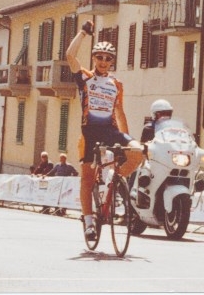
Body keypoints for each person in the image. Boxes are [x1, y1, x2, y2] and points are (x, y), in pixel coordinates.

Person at [66, 20, 136, 241]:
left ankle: (113, 182)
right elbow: (70, 55)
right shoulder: (86, 78)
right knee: (87, 178)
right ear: (94, 59)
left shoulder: (116, 84)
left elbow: (120, 112)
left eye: (108, 59)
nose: (103, 62)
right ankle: (88, 222)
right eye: (99, 57)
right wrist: (83, 33)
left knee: (138, 154)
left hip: (110, 130)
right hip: (89, 133)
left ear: (112, 62)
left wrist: (129, 139)